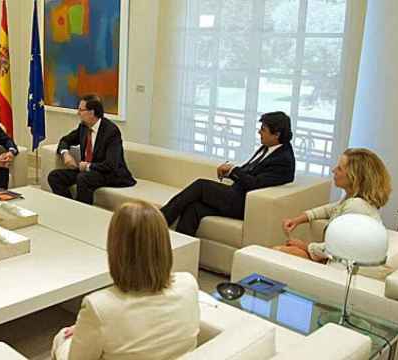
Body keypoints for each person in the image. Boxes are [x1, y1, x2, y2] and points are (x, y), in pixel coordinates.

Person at [51, 200, 200, 360]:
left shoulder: (99, 306)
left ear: (116, 247)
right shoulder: (189, 283)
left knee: (62, 338)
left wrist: (70, 338)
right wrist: (86, 329)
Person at [160, 111, 296, 236]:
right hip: (235, 196)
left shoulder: (283, 159)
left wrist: (233, 170)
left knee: (201, 185)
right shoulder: (269, 147)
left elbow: (256, 184)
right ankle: (181, 249)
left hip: (244, 204)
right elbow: (250, 169)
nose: (259, 132)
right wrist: (230, 172)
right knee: (194, 208)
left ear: (277, 134)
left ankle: (158, 223)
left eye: (263, 129)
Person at [275, 148, 391, 262]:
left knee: (277, 252)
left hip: (338, 268)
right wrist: (298, 220)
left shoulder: (356, 206)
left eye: (339, 169)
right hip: (336, 259)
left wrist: (304, 246)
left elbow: (334, 249)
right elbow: (330, 209)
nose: (333, 171)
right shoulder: (354, 201)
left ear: (354, 177)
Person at [47, 94, 136, 205]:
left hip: (110, 174)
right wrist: (65, 154)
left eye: (81, 110)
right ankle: (69, 206)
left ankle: (83, 213)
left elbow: (111, 164)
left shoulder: (111, 132)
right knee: (55, 176)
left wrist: (88, 166)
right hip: (88, 171)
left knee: (83, 178)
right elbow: (65, 140)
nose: (78, 113)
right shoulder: (84, 127)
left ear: (91, 112)